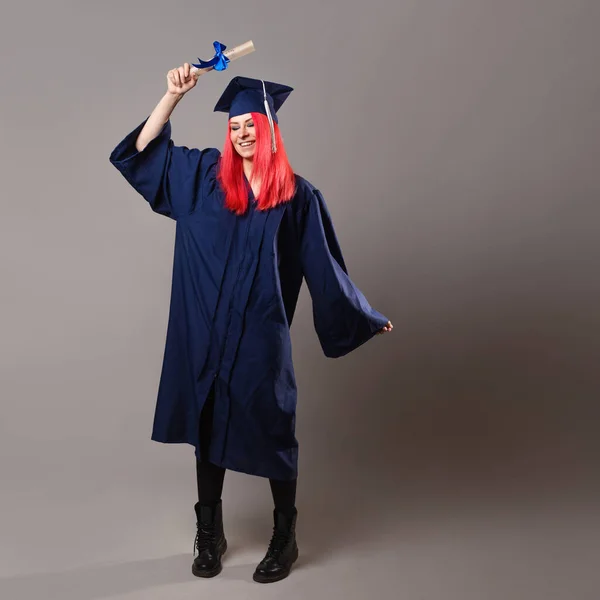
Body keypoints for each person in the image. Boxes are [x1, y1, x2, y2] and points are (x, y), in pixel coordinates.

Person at [109, 63, 393, 584]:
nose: (240, 135)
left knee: (272, 425)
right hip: (203, 332)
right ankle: (209, 531)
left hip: (260, 336)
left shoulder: (297, 196)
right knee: (206, 422)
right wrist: (170, 98)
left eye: (250, 127)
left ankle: (285, 534)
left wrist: (362, 315)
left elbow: (323, 265)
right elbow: (141, 155)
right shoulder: (203, 179)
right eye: (234, 127)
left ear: (269, 133)